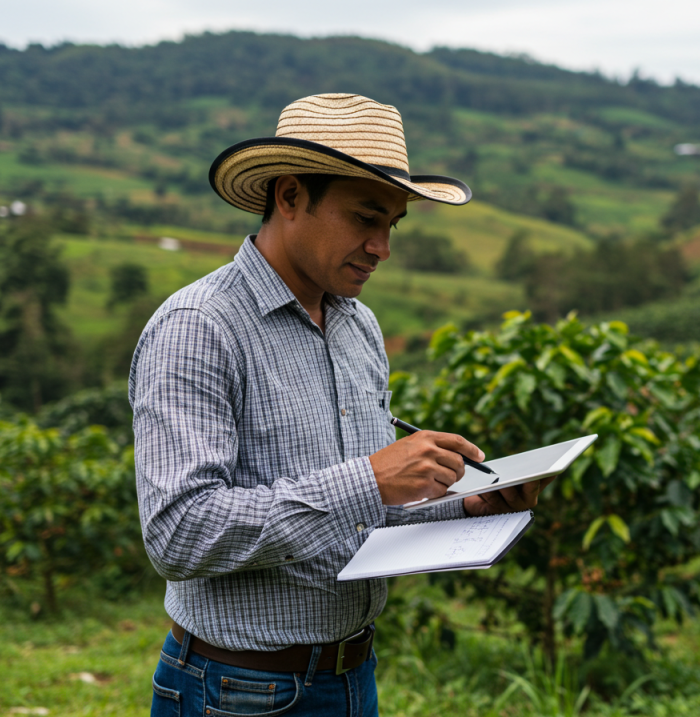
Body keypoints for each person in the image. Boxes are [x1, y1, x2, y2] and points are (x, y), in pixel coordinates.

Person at [130, 93, 553, 717]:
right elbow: (179, 532)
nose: (382, 247)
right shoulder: (201, 327)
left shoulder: (357, 327)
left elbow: (359, 518)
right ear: (291, 196)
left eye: (392, 226)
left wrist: (470, 507)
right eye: (364, 219)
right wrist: (370, 479)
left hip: (351, 679)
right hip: (237, 690)